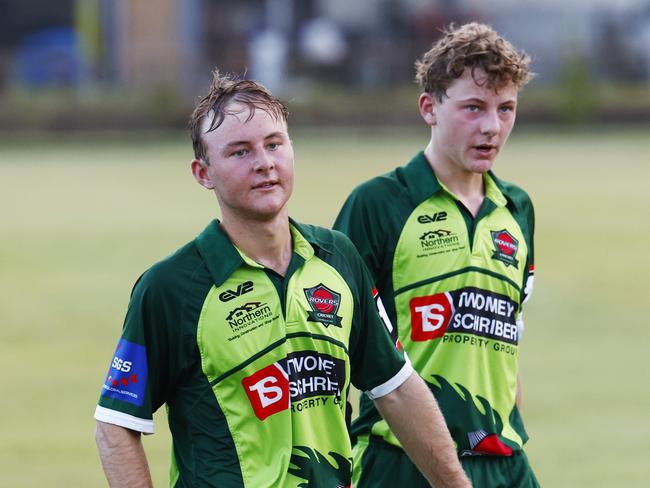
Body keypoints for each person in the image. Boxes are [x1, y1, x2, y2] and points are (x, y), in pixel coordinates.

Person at [93, 70, 470, 488]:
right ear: (203, 173)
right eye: (239, 152)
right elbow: (116, 426)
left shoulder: (339, 258)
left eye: (274, 144)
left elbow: (396, 388)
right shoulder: (170, 288)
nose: (264, 163)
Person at [334, 22, 539, 487]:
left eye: (506, 109)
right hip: (401, 461)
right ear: (429, 107)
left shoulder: (517, 209)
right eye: (473, 108)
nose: (492, 126)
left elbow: (506, 342)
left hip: (504, 458)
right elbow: (334, 347)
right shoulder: (378, 203)